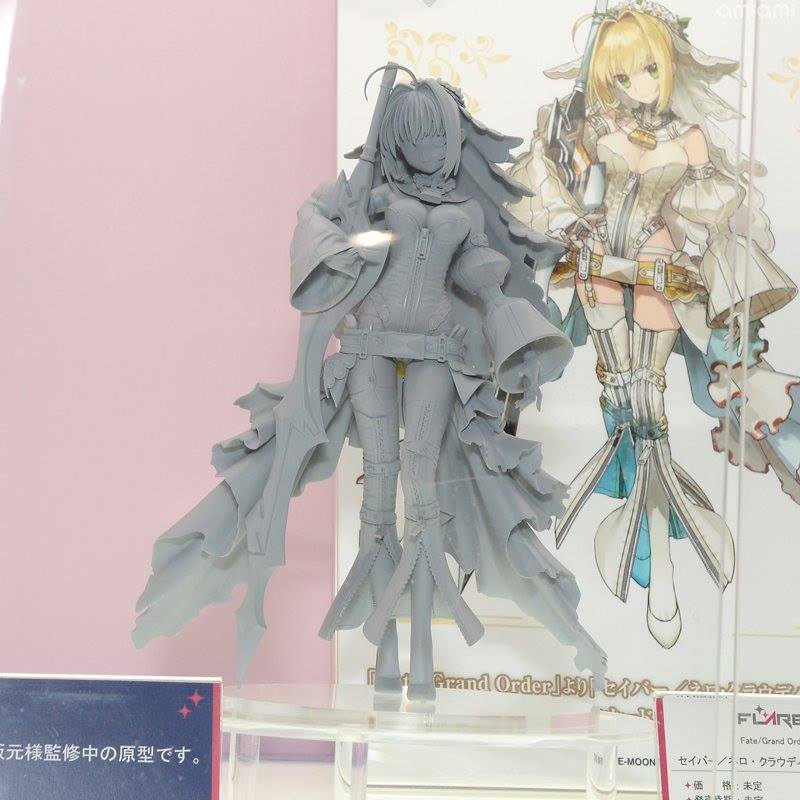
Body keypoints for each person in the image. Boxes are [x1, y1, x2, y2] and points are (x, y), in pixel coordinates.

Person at [134, 72, 607, 700]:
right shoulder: (369, 193)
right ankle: (387, 654)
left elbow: (478, 271)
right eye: (415, 135)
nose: (429, 147)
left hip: (437, 353)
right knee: (379, 493)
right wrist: (341, 237)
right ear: (396, 137)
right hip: (369, 350)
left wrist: (502, 287)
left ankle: (421, 653)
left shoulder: (466, 209)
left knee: (425, 493)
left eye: (438, 135)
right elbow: (314, 219)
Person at [508, 2, 798, 649]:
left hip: (658, 268)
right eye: (622, 75)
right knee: (622, 395)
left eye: (648, 71)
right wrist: (568, 187)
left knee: (651, 400)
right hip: (600, 268)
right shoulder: (587, 127)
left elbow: (709, 215)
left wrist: (700, 242)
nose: (639, 86)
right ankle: (647, 537)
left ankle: (660, 549)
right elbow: (561, 195)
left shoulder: (688, 137)